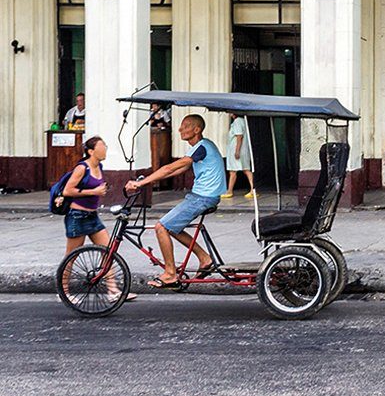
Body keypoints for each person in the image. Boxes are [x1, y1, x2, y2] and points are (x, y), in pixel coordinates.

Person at [124, 113, 225, 285]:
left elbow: (170, 168)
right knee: (172, 227)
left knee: (161, 227)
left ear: (197, 129)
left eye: (185, 126)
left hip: (203, 197)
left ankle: (170, 273)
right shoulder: (200, 147)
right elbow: (178, 169)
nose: (180, 129)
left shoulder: (201, 146)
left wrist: (141, 184)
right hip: (203, 196)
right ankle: (204, 258)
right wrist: (150, 180)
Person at [61, 135, 110, 256]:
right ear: (91, 151)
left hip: (93, 215)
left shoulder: (99, 166)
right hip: (77, 216)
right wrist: (94, 192)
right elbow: (67, 191)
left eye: (105, 146)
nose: (104, 149)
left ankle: (111, 276)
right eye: (102, 146)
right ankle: (63, 276)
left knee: (108, 252)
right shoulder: (82, 168)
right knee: (71, 256)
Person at [222, 112, 254, 200]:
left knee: (234, 171)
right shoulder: (242, 121)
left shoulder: (238, 121)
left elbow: (239, 136)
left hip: (237, 150)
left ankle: (230, 191)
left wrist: (237, 150)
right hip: (241, 150)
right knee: (245, 169)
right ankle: (252, 189)